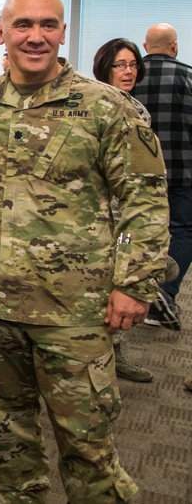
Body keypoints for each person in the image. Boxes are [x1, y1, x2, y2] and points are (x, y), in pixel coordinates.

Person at [0, 0, 170, 503]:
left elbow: (145, 201)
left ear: (63, 32)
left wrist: (135, 284)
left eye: (48, 24)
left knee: (88, 446)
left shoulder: (108, 108)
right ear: (2, 33)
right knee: (9, 439)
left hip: (75, 311)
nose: (35, 36)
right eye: (23, 25)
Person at [91, 38, 163, 383]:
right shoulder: (89, 106)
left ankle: (114, 352)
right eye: (120, 65)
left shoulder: (137, 110)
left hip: (127, 216)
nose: (128, 71)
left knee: (124, 282)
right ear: (105, 67)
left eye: (133, 64)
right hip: (94, 216)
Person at [131, 22, 190, 330]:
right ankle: (164, 292)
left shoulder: (129, 75)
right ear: (175, 46)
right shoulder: (189, 76)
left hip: (137, 172)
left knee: (137, 230)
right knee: (182, 231)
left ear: (145, 46)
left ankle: (132, 291)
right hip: (182, 170)